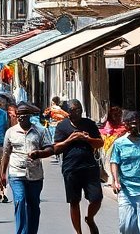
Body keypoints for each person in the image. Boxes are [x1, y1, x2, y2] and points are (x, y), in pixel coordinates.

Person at [46, 99, 104, 234]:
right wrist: (70, 139)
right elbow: (56, 148)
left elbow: (100, 143)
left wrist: (87, 139)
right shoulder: (62, 126)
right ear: (68, 112)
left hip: (89, 166)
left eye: (79, 110)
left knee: (96, 198)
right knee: (74, 201)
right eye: (74, 110)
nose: (77, 113)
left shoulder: (89, 124)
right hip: (71, 168)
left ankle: (90, 218)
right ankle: (78, 232)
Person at [0, 102, 49, 234]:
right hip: (16, 173)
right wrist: (2, 174)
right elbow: (5, 154)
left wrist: (39, 153)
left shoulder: (40, 131)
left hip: (35, 174)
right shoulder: (10, 132)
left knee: (33, 205)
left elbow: (50, 148)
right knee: (20, 201)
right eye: (19, 115)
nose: (21, 117)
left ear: (30, 116)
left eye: (24, 115)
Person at [100, 105, 127, 184]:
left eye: (119, 116)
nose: (118, 118)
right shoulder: (107, 128)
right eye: (115, 116)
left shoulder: (124, 128)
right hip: (108, 151)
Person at [43, 97, 70, 164]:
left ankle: (54, 152)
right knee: (57, 139)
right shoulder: (60, 110)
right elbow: (67, 115)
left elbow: (44, 114)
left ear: (53, 102)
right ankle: (57, 152)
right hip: (59, 125)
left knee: (52, 138)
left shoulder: (51, 108)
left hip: (52, 125)